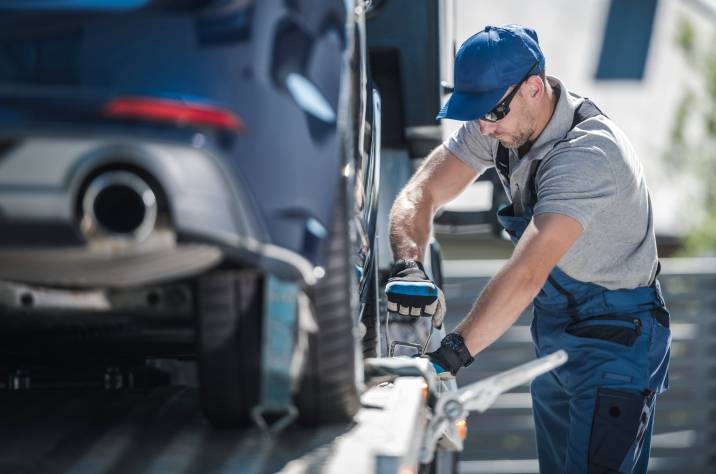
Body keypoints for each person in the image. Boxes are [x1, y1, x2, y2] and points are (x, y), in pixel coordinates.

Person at [385, 24, 671, 473]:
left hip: (617, 340)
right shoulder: (501, 120)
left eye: (492, 112)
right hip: (558, 329)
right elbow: (419, 195)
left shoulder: (587, 155)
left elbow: (528, 273)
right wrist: (409, 267)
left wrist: (449, 358)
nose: (483, 125)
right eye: (475, 113)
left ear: (534, 88)